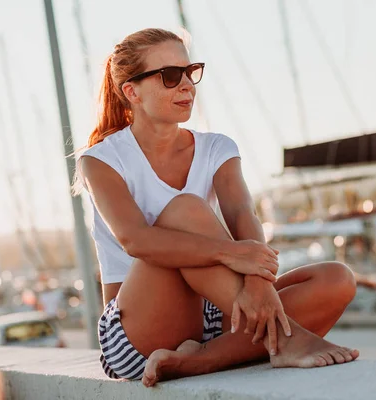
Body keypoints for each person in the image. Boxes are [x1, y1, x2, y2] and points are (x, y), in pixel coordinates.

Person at [76, 28, 359, 387]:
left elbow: (244, 215)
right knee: (186, 211)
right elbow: (136, 241)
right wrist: (231, 254)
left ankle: (197, 362)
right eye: (170, 76)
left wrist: (259, 282)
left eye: (190, 72)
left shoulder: (217, 148)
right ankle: (283, 339)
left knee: (336, 279)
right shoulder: (102, 159)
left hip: (214, 315)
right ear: (131, 91)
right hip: (136, 331)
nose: (187, 86)